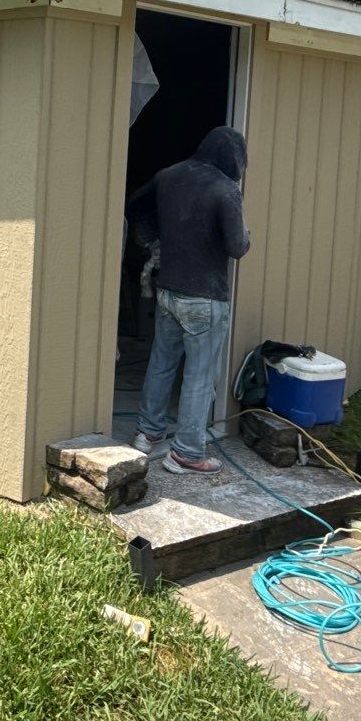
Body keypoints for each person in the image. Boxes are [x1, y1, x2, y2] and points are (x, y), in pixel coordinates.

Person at [123, 126, 250, 474]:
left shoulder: (168, 176)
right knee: (199, 375)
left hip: (167, 291)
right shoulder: (226, 190)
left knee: (162, 363)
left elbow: (134, 206)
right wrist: (247, 234)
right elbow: (237, 247)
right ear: (235, 158)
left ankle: (147, 434)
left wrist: (152, 242)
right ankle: (187, 453)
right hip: (206, 300)